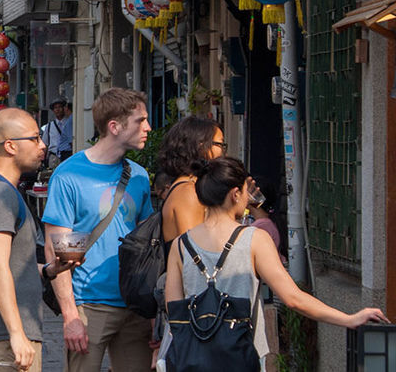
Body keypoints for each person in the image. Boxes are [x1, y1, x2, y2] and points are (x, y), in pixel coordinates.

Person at [163, 157, 388, 367]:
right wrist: (349, 319)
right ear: (235, 194)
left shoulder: (180, 245)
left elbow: (173, 308)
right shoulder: (254, 240)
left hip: (190, 359)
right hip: (239, 355)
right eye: (245, 192)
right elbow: (293, 298)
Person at [43, 87, 155, 372]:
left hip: (134, 306)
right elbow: (59, 249)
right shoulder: (71, 175)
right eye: (140, 121)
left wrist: (152, 307)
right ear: (114, 127)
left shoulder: (139, 176)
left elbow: (146, 246)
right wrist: (70, 316)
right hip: (89, 304)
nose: (148, 128)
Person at [0, 107, 70, 372]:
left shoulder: (6, 191)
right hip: (1, 337)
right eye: (35, 138)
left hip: (10, 334)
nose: (43, 145)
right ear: (10, 146)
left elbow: (11, 264)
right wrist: (16, 333)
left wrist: (48, 270)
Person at [158, 116, 226, 244]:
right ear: (200, 146)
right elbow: (194, 252)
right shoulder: (188, 192)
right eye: (219, 144)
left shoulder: (189, 186)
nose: (223, 152)